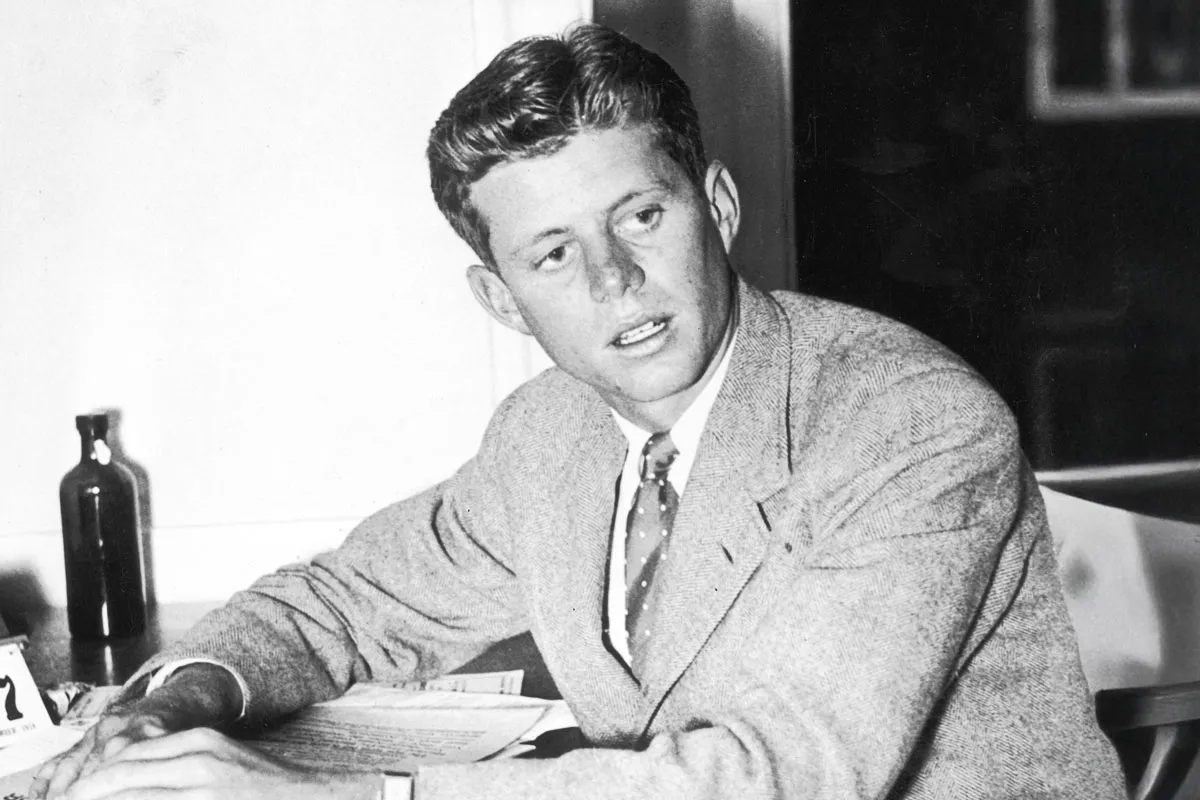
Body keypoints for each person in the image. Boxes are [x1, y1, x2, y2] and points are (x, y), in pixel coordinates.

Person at [31, 23, 1126, 800]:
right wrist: (173, 705)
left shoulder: (906, 418)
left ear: (718, 207)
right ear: (502, 299)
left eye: (640, 215)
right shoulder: (546, 434)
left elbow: (780, 779)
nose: (615, 280)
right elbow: (344, 604)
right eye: (554, 254)